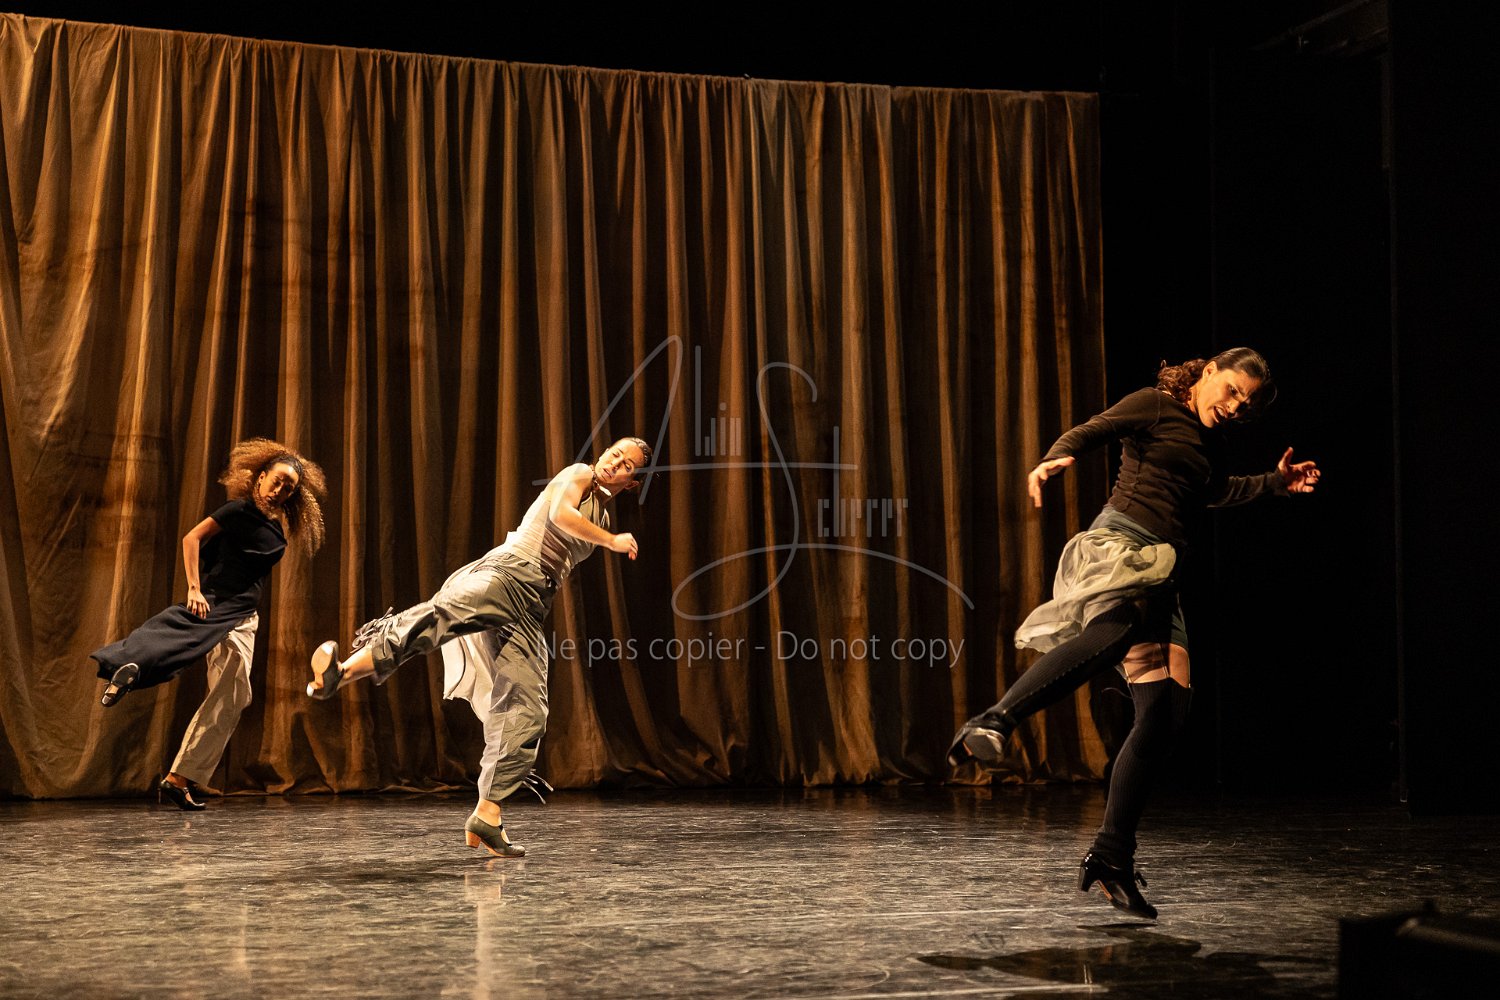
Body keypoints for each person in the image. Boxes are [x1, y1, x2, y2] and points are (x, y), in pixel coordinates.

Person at [948, 348, 1320, 919]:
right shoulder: (1155, 405)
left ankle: (1111, 857)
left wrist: (1273, 482)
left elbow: (1210, 492)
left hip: (1161, 572)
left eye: (1246, 404)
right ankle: (995, 720)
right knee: (1116, 630)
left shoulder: (1211, 441)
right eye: (1232, 391)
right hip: (1119, 549)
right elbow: (1094, 429)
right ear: (1209, 372)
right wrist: (1056, 457)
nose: (1235, 406)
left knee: (1165, 712)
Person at [305, 437, 651, 859]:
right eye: (615, 453)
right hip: (508, 574)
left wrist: (607, 535)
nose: (615, 462)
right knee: (443, 616)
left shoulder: (603, 511)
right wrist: (612, 541)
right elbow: (560, 515)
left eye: (627, 464)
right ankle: (340, 673)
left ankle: (487, 815)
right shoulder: (578, 474)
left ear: (633, 482)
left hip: (533, 603)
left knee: (528, 707)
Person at [92, 439, 327, 810]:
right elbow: (192, 538)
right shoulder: (238, 509)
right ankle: (128, 668)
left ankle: (178, 777)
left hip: (245, 615)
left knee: (234, 694)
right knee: (181, 635)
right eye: (277, 480)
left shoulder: (274, 527)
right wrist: (194, 588)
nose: (280, 489)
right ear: (261, 477)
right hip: (220, 602)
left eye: (289, 487)